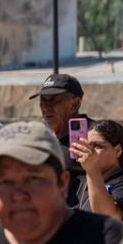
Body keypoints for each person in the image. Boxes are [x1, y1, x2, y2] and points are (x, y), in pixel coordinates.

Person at [70, 119, 123, 227]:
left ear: (117, 151)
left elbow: (107, 217)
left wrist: (92, 170)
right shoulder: (81, 182)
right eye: (88, 146)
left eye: (97, 146)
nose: (90, 151)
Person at [28, 72, 88, 205]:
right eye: (43, 101)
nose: (46, 107)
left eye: (53, 100)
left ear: (75, 104)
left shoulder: (95, 136)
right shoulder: (45, 142)